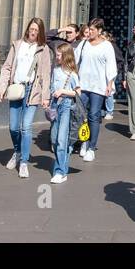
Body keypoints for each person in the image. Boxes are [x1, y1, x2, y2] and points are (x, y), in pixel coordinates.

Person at [0, 17, 53, 179]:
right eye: (31, 29)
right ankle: (17, 151)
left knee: (26, 127)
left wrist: (45, 96)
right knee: (14, 127)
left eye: (36, 30)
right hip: (16, 88)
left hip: (32, 90)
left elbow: (45, 75)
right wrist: (1, 87)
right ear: (28, 29)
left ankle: (24, 162)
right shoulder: (17, 45)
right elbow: (7, 67)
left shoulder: (43, 50)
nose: (33, 32)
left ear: (40, 32)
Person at [75, 19, 116, 161]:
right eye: (89, 29)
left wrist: (110, 84)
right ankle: (84, 141)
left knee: (93, 115)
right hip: (83, 85)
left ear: (99, 31)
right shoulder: (83, 44)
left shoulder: (107, 46)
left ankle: (91, 147)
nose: (90, 32)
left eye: (92, 29)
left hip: (98, 87)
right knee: (80, 115)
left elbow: (111, 65)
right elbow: (75, 61)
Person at [49, 44, 81, 184]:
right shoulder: (55, 71)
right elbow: (52, 87)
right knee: (55, 140)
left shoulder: (72, 74)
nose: (56, 57)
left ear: (65, 56)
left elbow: (78, 92)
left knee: (62, 140)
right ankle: (63, 165)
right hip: (55, 106)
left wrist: (63, 91)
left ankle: (60, 171)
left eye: (58, 55)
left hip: (67, 106)